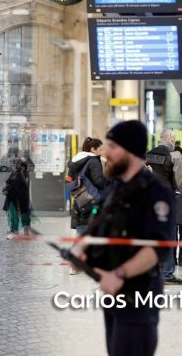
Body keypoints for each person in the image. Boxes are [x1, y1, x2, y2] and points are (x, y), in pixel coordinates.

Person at [73, 120, 175, 356]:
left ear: (130, 151)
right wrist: (83, 248)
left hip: (139, 293)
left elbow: (156, 248)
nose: (106, 153)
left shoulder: (157, 193)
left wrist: (119, 274)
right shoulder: (117, 188)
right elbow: (100, 223)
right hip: (114, 294)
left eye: (112, 146)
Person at [146, 129, 182, 284]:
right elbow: (180, 182)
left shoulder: (148, 154)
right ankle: (167, 273)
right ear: (171, 140)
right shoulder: (175, 156)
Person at [67, 137, 107, 236]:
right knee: (91, 232)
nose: (101, 152)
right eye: (100, 149)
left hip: (80, 200)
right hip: (92, 201)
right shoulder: (94, 161)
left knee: (80, 231)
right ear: (93, 149)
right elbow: (99, 182)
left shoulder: (75, 160)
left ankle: (78, 250)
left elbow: (69, 180)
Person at [3, 158, 37, 239]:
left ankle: (25, 231)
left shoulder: (26, 175)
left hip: (23, 197)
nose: (19, 166)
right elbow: (9, 182)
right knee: (14, 214)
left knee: (24, 214)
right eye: (18, 165)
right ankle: (14, 230)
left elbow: (22, 185)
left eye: (20, 165)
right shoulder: (16, 173)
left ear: (24, 166)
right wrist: (6, 188)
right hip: (14, 197)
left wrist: (8, 188)